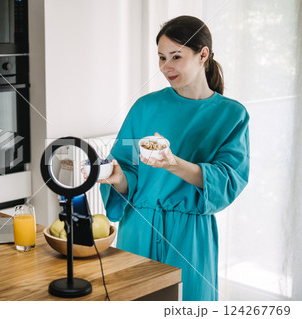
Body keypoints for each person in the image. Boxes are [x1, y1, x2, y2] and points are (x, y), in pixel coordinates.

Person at [98, 15, 250, 301]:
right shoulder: (145, 107)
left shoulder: (231, 115)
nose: (166, 67)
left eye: (176, 56)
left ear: (202, 54)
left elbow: (228, 179)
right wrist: (118, 178)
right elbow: (126, 171)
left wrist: (173, 163)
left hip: (190, 236)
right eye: (161, 57)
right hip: (138, 228)